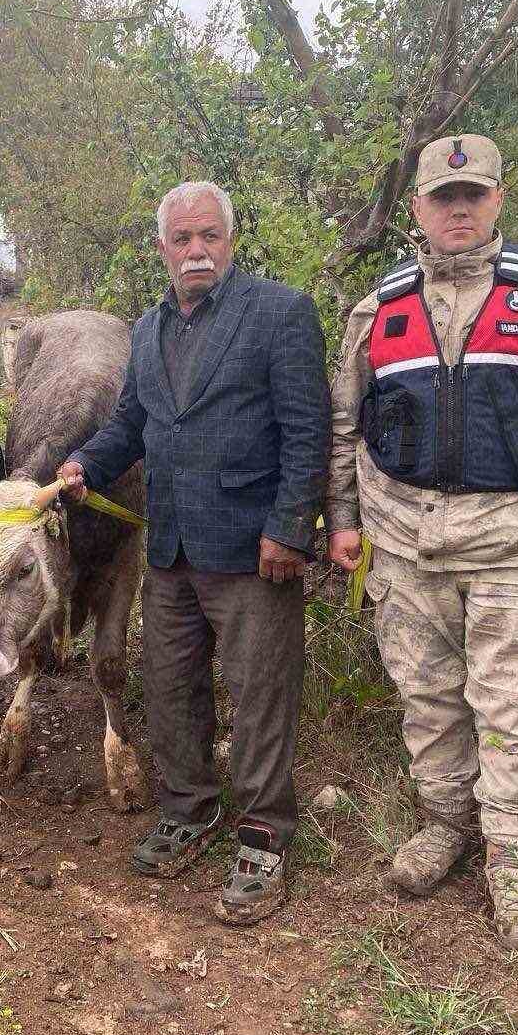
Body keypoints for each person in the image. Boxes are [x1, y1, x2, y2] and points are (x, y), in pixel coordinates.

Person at [327, 134, 518, 947]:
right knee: (427, 700)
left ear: (497, 200)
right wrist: (345, 520)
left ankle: (511, 856)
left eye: (474, 195)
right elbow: (342, 429)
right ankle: (446, 822)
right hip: (404, 538)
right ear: (419, 209)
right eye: (442, 198)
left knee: (512, 708)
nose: (458, 210)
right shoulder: (379, 307)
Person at [58, 180, 331, 925]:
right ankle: (189, 807)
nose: (196, 251)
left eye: (209, 236)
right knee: (173, 686)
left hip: (252, 549)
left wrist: (290, 527)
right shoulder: (145, 331)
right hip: (172, 548)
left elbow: (309, 433)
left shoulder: (280, 314)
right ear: (162, 250)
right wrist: (85, 463)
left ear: (230, 241)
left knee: (261, 693)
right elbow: (131, 424)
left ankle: (264, 835)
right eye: (182, 240)